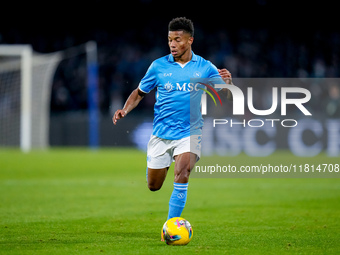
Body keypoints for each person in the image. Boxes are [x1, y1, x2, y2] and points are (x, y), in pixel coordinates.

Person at [113, 17, 232, 221]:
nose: (172, 44)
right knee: (154, 185)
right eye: (169, 40)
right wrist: (125, 109)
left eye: (177, 39)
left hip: (189, 132)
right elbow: (139, 92)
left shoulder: (205, 67)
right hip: (161, 134)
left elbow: (225, 95)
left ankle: (170, 227)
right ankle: (165, 164)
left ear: (190, 40)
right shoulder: (158, 66)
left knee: (183, 173)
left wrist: (228, 84)